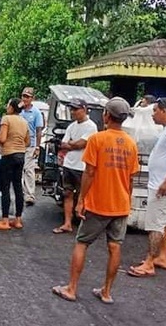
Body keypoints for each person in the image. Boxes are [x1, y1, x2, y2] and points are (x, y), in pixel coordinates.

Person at [52, 97, 139, 304]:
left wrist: (82, 200)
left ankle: (71, 288)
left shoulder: (97, 139)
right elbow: (130, 178)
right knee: (115, 246)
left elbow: (89, 173)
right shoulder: (131, 144)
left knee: (82, 243)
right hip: (120, 204)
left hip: (99, 203)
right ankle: (107, 292)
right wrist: (128, 201)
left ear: (107, 115)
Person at [128, 97, 166, 277]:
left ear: (163, 110)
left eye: (155, 111)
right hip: (163, 185)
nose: (153, 115)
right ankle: (163, 257)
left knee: (155, 225)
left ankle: (149, 263)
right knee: (165, 222)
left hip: (163, 187)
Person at [53, 98, 98, 234]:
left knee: (82, 195)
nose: (73, 112)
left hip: (82, 166)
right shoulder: (72, 126)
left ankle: (84, 225)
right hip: (69, 164)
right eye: (71, 109)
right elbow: (64, 144)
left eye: (75, 109)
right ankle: (67, 223)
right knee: (67, 193)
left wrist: (71, 144)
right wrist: (72, 144)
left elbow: (81, 144)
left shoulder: (91, 126)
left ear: (83, 109)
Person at [0, 98, 29, 230]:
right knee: (18, 187)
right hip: (21, 155)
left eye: (8, 105)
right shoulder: (24, 121)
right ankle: (18, 219)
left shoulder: (6, 119)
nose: (6, 107)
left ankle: (5, 220)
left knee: (5, 186)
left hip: (9, 155)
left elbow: (3, 138)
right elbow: (27, 142)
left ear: (11, 108)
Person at [20, 87, 44, 206]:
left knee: (28, 169)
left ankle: (29, 195)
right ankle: (20, 193)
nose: (25, 99)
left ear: (32, 98)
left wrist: (38, 147)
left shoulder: (36, 112)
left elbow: (38, 130)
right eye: (24, 96)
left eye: (28, 97)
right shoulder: (19, 110)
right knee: (18, 169)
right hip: (17, 144)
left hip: (30, 145)